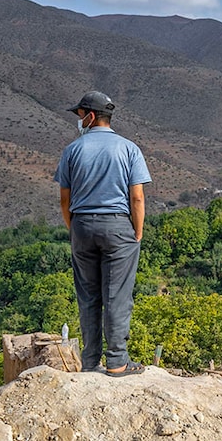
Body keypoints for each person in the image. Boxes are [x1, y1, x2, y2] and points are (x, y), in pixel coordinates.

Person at [54, 91, 152, 377]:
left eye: (80, 114)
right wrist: (138, 232)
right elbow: (137, 198)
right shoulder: (129, 149)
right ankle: (117, 361)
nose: (79, 120)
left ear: (91, 116)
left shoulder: (72, 150)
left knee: (88, 296)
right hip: (118, 226)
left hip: (82, 225)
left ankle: (89, 361)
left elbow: (64, 199)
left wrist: (74, 229)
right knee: (117, 296)